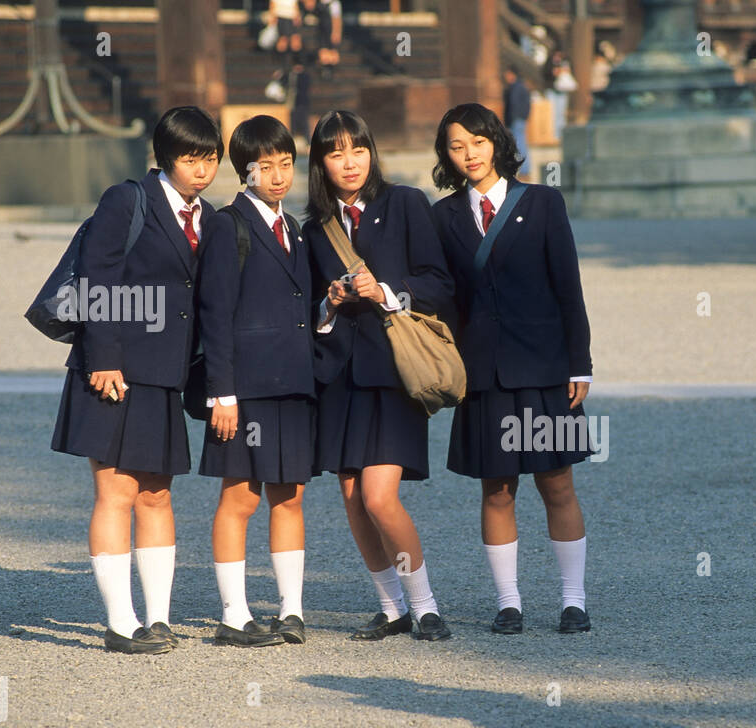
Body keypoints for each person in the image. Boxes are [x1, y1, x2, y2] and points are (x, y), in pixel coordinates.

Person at [51, 105, 223, 655]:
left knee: (157, 496)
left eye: (211, 159)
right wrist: (103, 358)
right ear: (166, 157)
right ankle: (120, 623)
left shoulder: (209, 216)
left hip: (164, 377)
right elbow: (98, 278)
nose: (202, 170)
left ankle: (158, 619)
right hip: (113, 369)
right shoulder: (127, 200)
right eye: (191, 159)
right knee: (115, 492)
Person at [429, 103, 594, 636]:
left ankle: (573, 600)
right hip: (483, 373)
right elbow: (442, 296)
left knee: (557, 483)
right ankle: (509, 602)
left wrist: (581, 364)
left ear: (497, 142)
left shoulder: (543, 201)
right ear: (447, 156)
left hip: (546, 366)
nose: (469, 153)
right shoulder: (443, 216)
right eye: (457, 146)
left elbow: (568, 285)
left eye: (477, 141)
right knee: (496, 488)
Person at [302, 109, 455, 642]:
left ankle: (426, 604)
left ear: (372, 152)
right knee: (350, 496)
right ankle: (391, 607)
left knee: (378, 496)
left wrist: (384, 292)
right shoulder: (314, 228)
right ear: (321, 161)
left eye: (358, 149)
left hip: (395, 372)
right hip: (340, 376)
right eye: (336, 152)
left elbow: (440, 284)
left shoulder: (408, 203)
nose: (350, 162)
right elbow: (308, 312)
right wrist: (330, 301)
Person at [197, 115, 316, 648]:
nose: (277, 176)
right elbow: (214, 314)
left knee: (289, 497)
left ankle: (291, 611)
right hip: (243, 391)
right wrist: (222, 393)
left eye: (285, 164)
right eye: (264, 166)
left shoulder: (296, 228)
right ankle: (234, 614)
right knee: (240, 498)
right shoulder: (228, 224)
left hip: (291, 384)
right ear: (244, 170)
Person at [502, 68, 531, 179]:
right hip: (519, 119)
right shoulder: (520, 86)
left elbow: (514, 105)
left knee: (519, 144)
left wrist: (512, 119)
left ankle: (524, 171)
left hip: (516, 120)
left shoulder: (516, 87)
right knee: (519, 144)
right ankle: (524, 170)